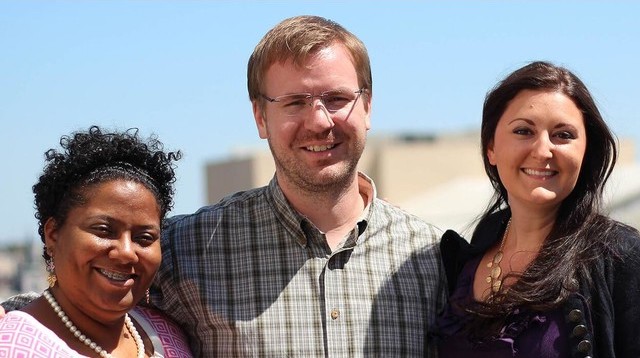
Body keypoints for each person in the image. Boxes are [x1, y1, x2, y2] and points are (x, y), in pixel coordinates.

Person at [149, 15, 446, 356]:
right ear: (260, 117)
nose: (319, 121)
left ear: (366, 106)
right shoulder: (183, 250)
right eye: (294, 102)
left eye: (336, 99)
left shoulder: (432, 258)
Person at [437, 61, 640, 357]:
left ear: (586, 152)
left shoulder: (622, 255)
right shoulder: (474, 249)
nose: (543, 150)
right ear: (490, 147)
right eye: (523, 131)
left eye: (563, 135)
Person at [0, 126, 192, 357]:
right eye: (104, 230)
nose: (126, 252)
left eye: (144, 238)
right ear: (53, 234)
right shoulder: (13, 347)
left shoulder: (166, 334)